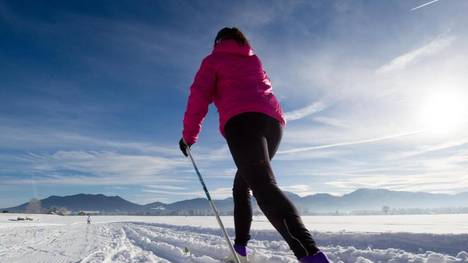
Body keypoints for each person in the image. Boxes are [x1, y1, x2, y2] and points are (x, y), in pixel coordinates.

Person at [179, 27, 330, 263]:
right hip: (273, 124)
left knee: (263, 185)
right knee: (242, 187)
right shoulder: (254, 60)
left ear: (218, 42)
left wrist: (189, 137)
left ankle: (312, 257)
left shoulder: (213, 60)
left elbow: (198, 96)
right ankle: (240, 250)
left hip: (242, 122)